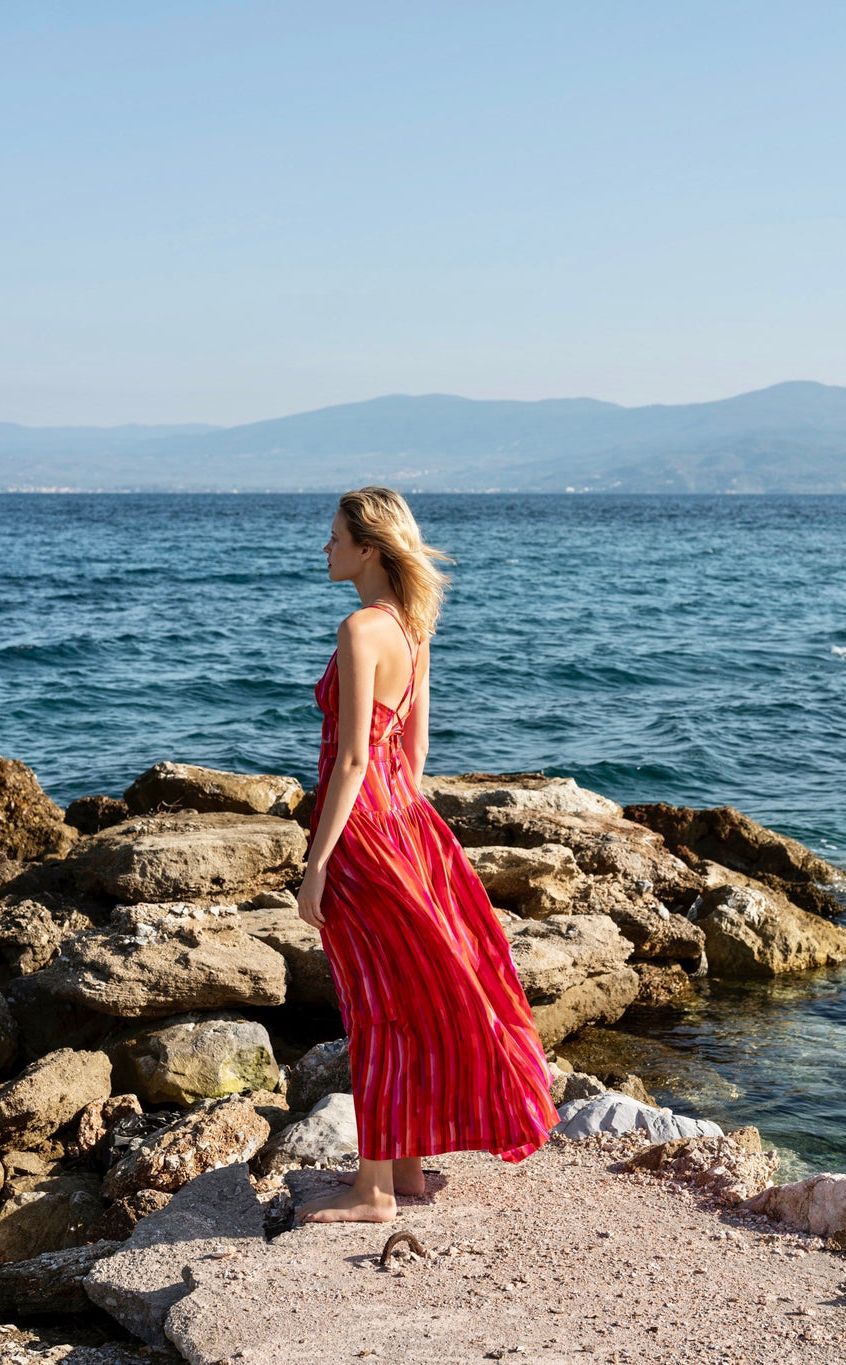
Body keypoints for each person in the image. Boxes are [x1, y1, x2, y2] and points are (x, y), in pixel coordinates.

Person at [294, 486, 559, 1224]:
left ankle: (373, 1189)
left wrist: (318, 863)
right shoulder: (413, 627)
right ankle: (404, 1168)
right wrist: (403, 831)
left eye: (335, 536)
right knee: (407, 992)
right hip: (406, 823)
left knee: (373, 1001)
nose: (325, 548)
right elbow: (413, 752)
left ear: (368, 547)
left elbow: (349, 762)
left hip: (360, 833)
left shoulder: (358, 629)